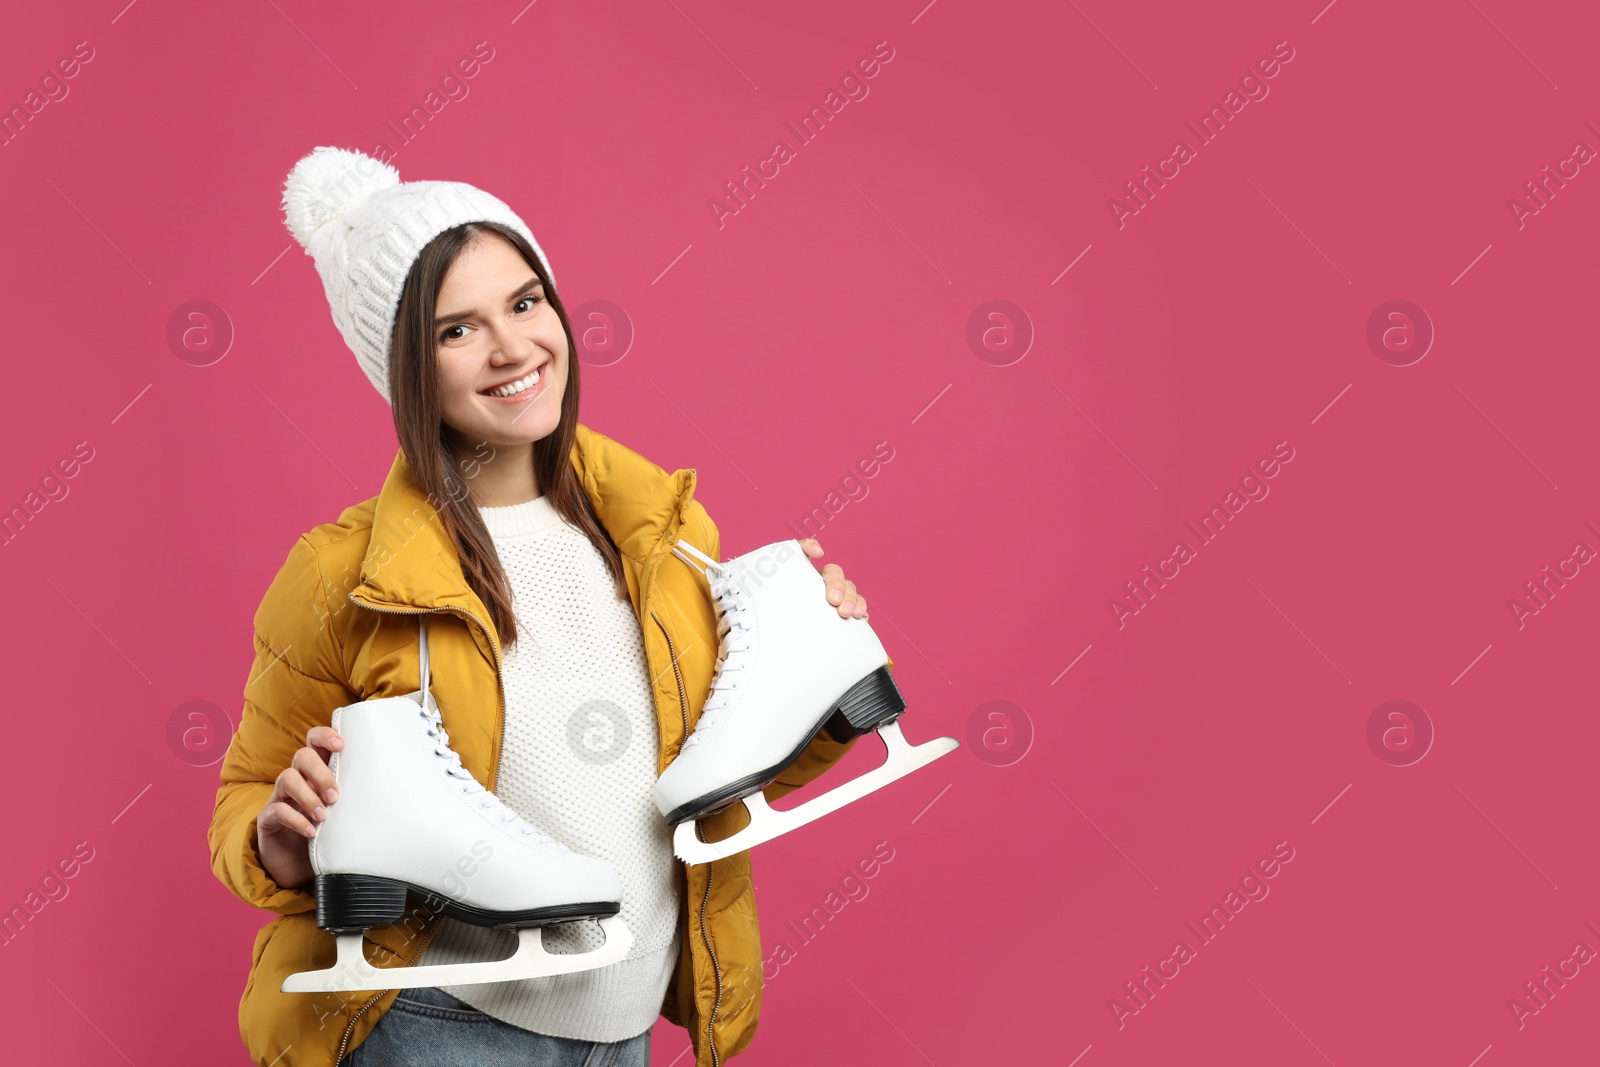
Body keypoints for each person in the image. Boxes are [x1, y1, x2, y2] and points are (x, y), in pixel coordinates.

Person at [207, 147, 878, 1067]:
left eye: (525, 303)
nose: (513, 348)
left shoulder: (666, 537)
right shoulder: (341, 574)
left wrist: (821, 687)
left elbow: (710, 784)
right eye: (457, 329)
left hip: (625, 1030)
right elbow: (248, 792)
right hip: (438, 1026)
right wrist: (277, 841)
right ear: (405, 368)